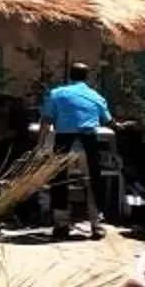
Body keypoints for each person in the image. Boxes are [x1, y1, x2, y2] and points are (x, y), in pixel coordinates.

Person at [43, 64, 117, 234]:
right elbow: (109, 121)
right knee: (93, 181)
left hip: (63, 143)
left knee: (60, 181)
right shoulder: (96, 96)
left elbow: (46, 121)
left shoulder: (56, 94)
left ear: (69, 76)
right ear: (87, 77)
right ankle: (96, 224)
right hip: (88, 142)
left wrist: (40, 145)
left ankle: (61, 224)